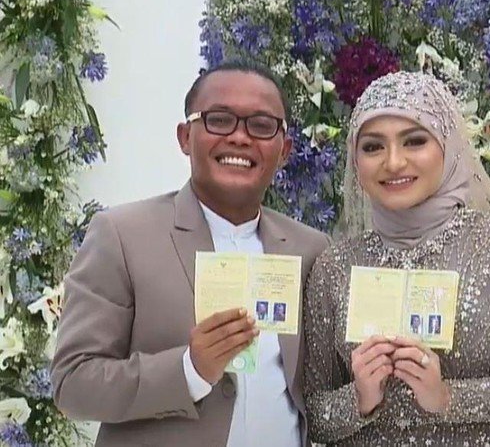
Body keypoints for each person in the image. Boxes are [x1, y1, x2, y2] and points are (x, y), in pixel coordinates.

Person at [50, 59, 329, 447]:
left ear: (284, 150)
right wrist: (189, 370)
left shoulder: (310, 249)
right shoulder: (122, 235)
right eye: (219, 120)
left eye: (261, 125)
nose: (240, 137)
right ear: (185, 137)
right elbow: (73, 384)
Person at [303, 71, 490, 446]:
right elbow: (312, 414)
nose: (394, 162)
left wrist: (447, 397)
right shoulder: (336, 266)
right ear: (355, 161)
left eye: (414, 141)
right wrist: (358, 399)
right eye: (373, 147)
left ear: (448, 145)